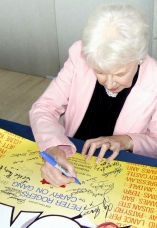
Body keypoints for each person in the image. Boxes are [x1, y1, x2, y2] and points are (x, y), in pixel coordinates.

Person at [29, 4, 157, 187]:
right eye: (100, 71)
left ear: (139, 58)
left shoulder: (155, 80)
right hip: (74, 159)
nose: (110, 83)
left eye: (120, 74)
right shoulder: (80, 56)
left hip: (120, 175)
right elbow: (44, 108)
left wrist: (126, 141)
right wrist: (53, 149)